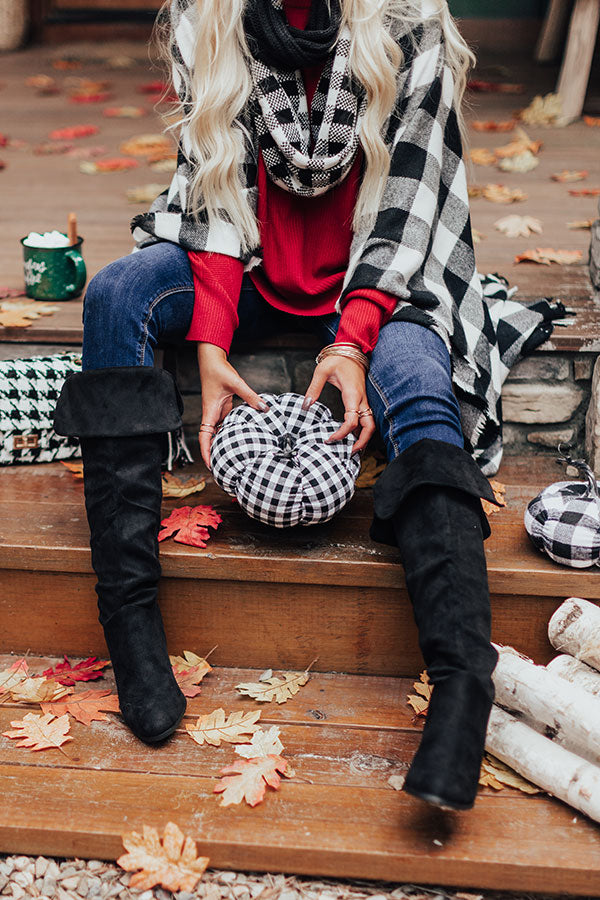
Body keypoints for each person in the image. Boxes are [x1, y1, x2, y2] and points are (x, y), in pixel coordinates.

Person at [53, 0, 561, 809]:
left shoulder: (410, 23)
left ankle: (463, 678)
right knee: (118, 294)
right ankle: (131, 621)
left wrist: (354, 339)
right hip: (247, 270)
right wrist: (212, 345)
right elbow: (211, 190)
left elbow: (407, 210)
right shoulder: (207, 16)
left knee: (420, 379)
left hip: (378, 278)